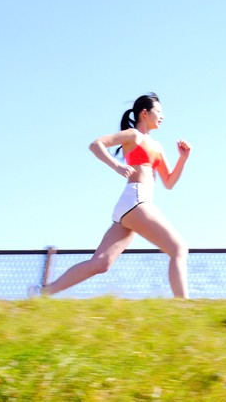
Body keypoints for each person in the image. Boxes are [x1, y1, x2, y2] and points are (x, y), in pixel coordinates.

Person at [28, 93, 192, 298]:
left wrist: (183, 158)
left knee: (101, 263)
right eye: (158, 111)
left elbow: (168, 182)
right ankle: (184, 306)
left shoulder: (157, 146)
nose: (162, 116)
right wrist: (116, 165)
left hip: (133, 206)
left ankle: (41, 293)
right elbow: (96, 144)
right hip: (136, 201)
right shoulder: (133, 135)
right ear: (144, 113)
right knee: (178, 248)